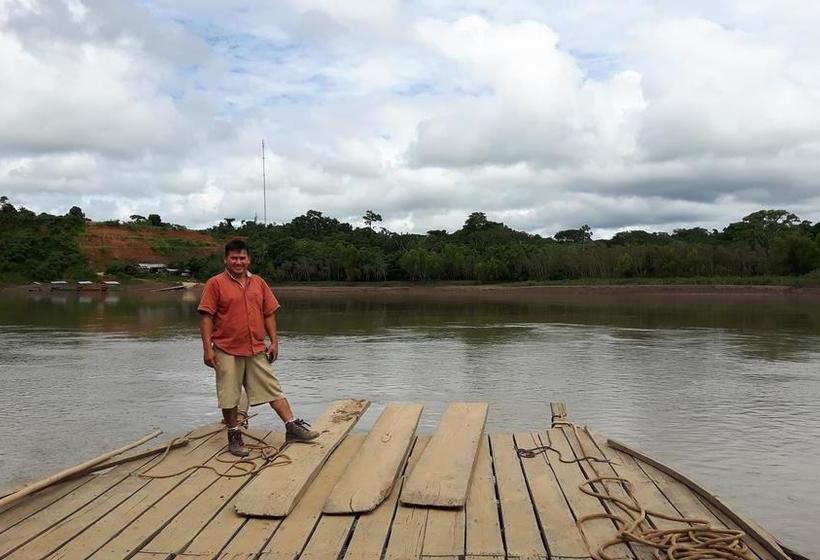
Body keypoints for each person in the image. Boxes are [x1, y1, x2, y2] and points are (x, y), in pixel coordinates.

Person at [198, 238, 319, 457]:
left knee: (272, 388)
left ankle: (292, 427)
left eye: (242, 258)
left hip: (255, 347)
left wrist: (274, 341)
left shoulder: (259, 283)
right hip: (225, 348)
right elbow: (206, 317)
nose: (238, 262)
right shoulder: (215, 284)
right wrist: (207, 349)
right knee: (229, 395)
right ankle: (234, 435)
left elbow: (269, 313)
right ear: (226, 260)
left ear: (249, 259)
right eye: (234, 258)